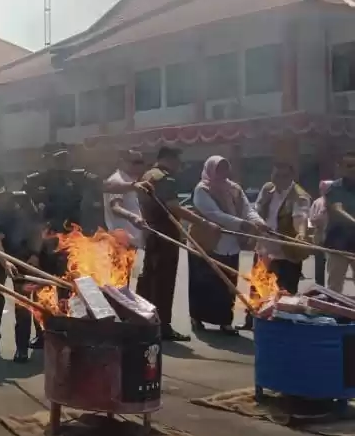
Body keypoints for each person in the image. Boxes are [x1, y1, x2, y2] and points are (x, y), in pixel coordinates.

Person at [23, 146, 101, 349]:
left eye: (64, 160)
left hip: (69, 241)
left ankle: (64, 328)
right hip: (45, 240)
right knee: (42, 287)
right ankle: (42, 332)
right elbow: (29, 189)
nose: (61, 164)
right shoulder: (39, 180)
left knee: (66, 286)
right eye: (57, 160)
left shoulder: (76, 179)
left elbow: (95, 181)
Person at [135, 146, 208, 342]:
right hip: (165, 234)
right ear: (170, 159)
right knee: (163, 282)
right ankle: (163, 326)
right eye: (178, 161)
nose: (179, 166)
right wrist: (202, 222)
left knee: (149, 278)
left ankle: (145, 321)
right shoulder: (165, 179)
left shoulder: (147, 175)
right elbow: (173, 207)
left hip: (151, 232)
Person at [190, 156, 267, 334]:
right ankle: (197, 318)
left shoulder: (234, 188)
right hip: (207, 242)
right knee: (202, 284)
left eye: (225, 168)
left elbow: (248, 210)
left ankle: (225, 321)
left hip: (232, 243)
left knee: (227, 285)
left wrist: (259, 222)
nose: (223, 173)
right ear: (211, 169)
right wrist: (242, 224)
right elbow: (213, 214)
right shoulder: (202, 189)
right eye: (219, 169)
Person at [0, 174, 42, 362]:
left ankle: (22, 347)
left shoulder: (22, 201)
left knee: (22, 301)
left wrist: (35, 254)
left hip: (24, 254)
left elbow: (37, 229)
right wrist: (5, 262)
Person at [254, 161, 311, 295]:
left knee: (285, 295)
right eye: (276, 175)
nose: (279, 179)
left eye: (283, 176)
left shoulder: (299, 195)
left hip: (287, 253)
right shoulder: (267, 189)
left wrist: (301, 234)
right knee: (259, 292)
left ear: (292, 176)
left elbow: (300, 217)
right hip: (265, 250)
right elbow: (256, 210)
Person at [104, 149, 149, 255]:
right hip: (122, 240)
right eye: (135, 162)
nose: (139, 166)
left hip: (132, 240)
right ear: (121, 162)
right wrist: (133, 217)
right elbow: (115, 207)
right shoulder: (117, 180)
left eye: (141, 162)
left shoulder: (129, 180)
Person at [325, 152, 355, 292]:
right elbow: (337, 208)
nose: (352, 169)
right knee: (334, 287)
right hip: (338, 244)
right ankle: (331, 313)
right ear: (342, 168)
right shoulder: (334, 188)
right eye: (349, 166)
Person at [309, 179, 333, 286]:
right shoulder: (317, 202)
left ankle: (332, 290)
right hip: (320, 238)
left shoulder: (338, 203)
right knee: (319, 264)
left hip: (335, 240)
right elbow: (311, 220)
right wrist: (318, 220)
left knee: (334, 267)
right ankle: (319, 287)